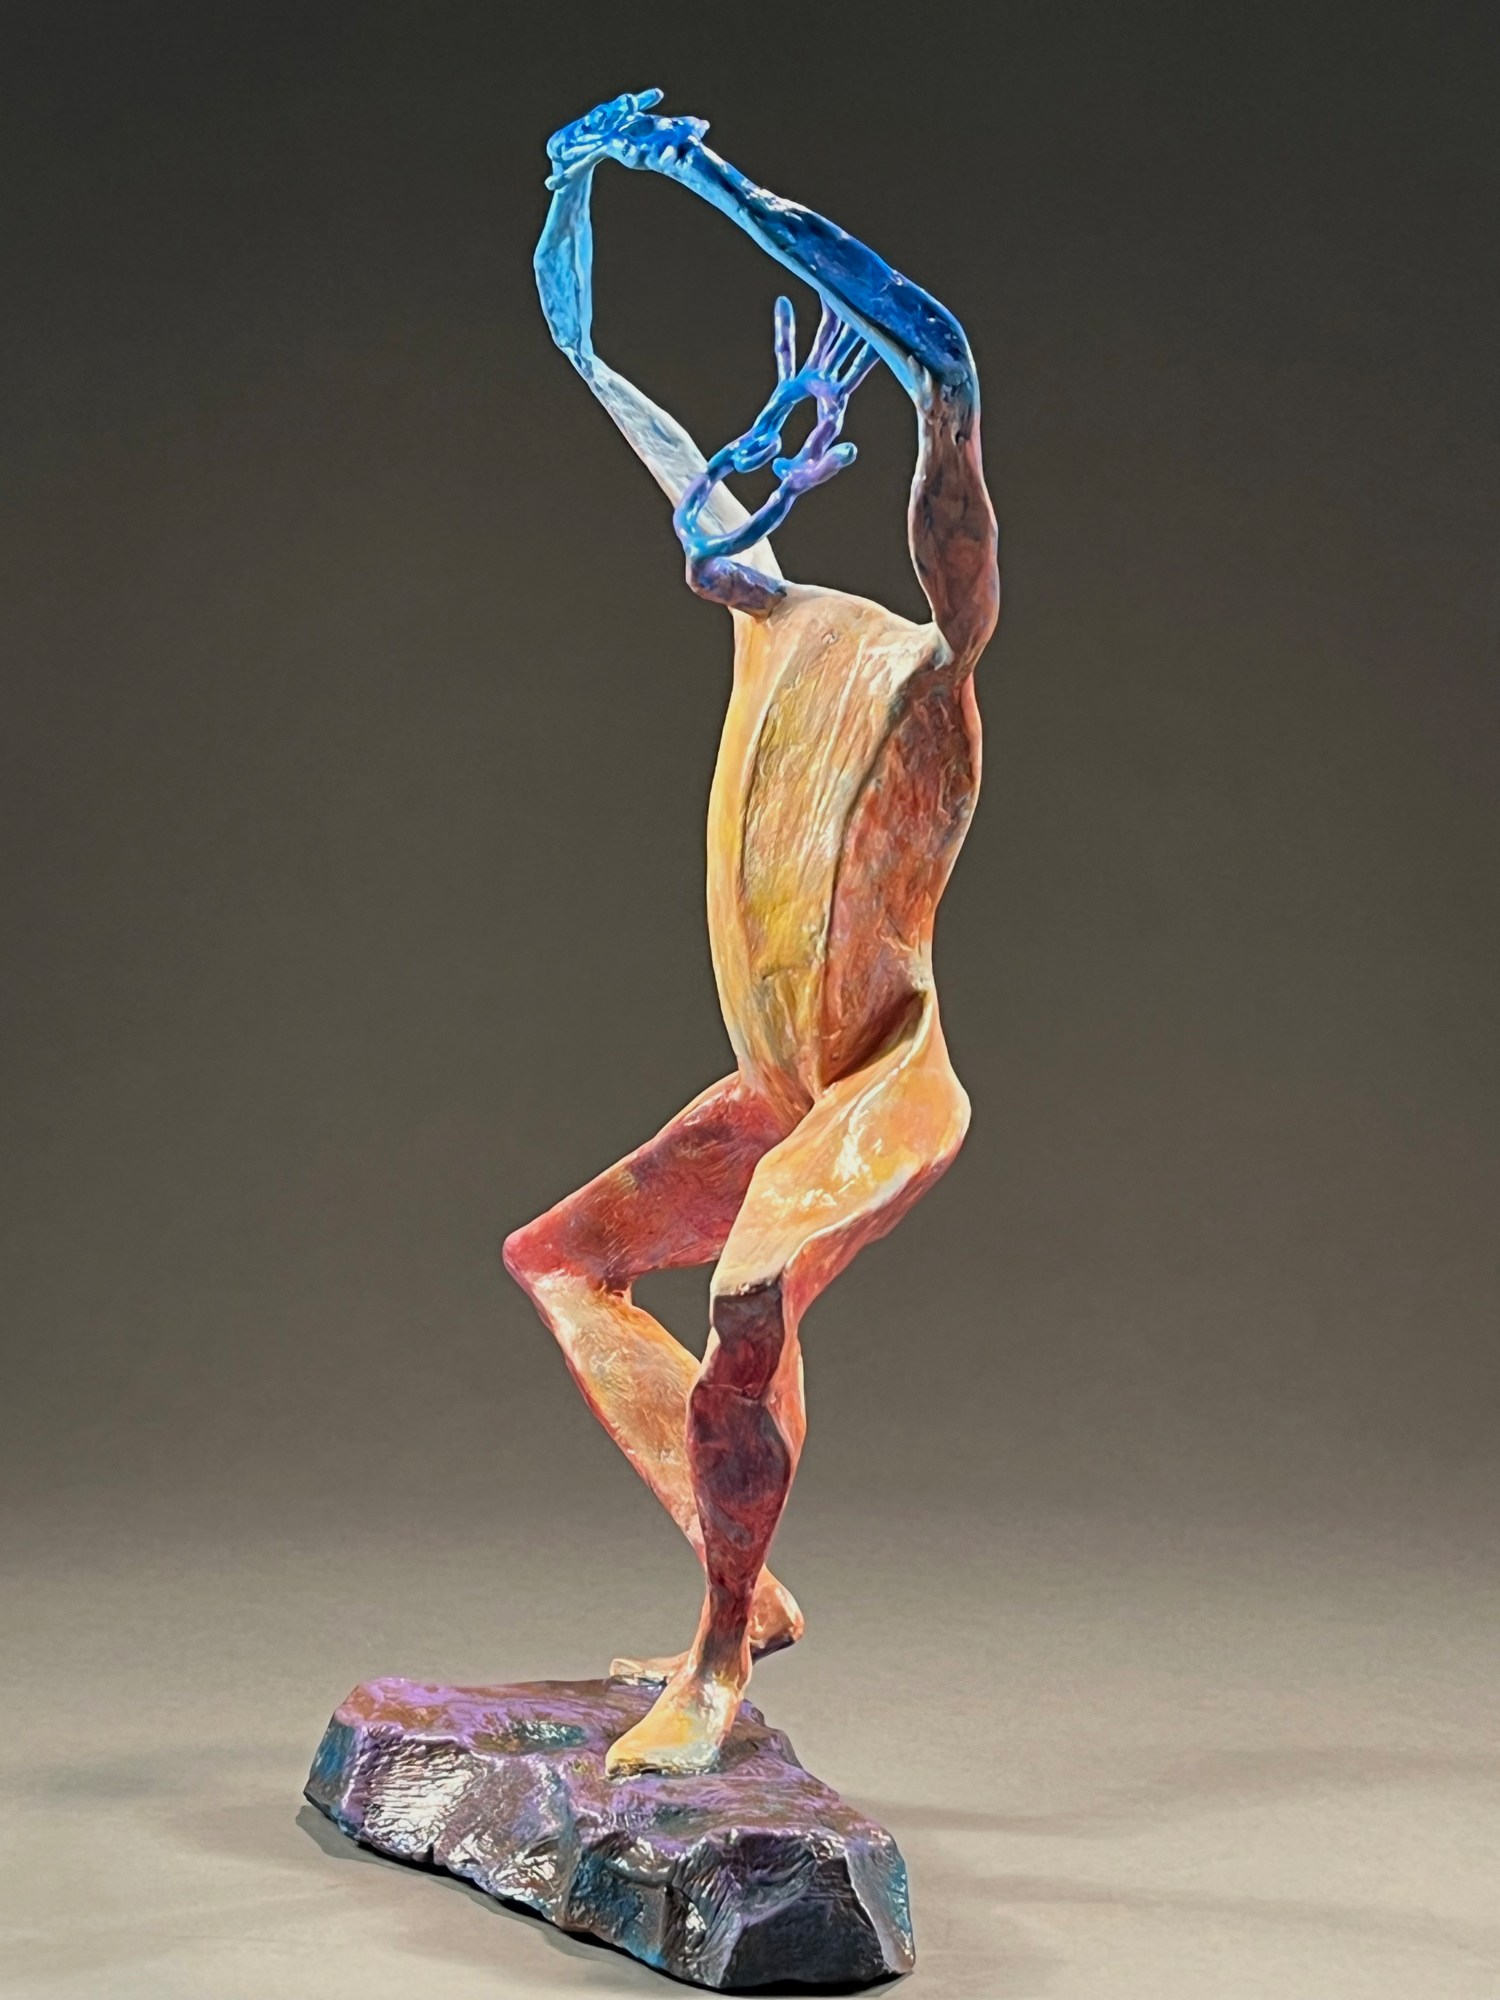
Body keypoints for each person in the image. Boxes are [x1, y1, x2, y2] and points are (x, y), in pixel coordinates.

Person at [506, 91, 1000, 1776]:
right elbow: (591, 363)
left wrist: (712, 180)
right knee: (560, 1262)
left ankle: (716, 1665)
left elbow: (946, 370)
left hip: (880, 1084)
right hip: (777, 1085)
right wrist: (573, 190)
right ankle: (749, 1581)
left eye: (739, 479)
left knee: (752, 1290)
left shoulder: (926, 675)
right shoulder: (764, 620)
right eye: (708, 488)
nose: (705, 505)